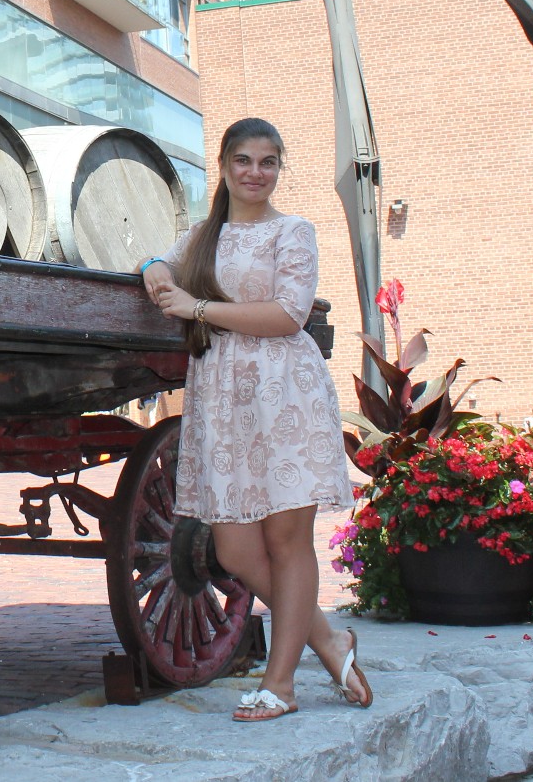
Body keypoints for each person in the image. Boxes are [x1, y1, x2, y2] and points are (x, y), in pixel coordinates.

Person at [141, 117, 370, 722]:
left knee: (287, 542)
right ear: (222, 166)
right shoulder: (202, 235)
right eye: (243, 160)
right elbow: (153, 261)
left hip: (284, 397)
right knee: (236, 549)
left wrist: (199, 307)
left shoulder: (294, 231)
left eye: (268, 162)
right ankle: (328, 638)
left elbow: (289, 314)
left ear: (278, 169)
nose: (255, 173)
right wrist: (155, 271)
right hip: (223, 402)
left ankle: (282, 684)